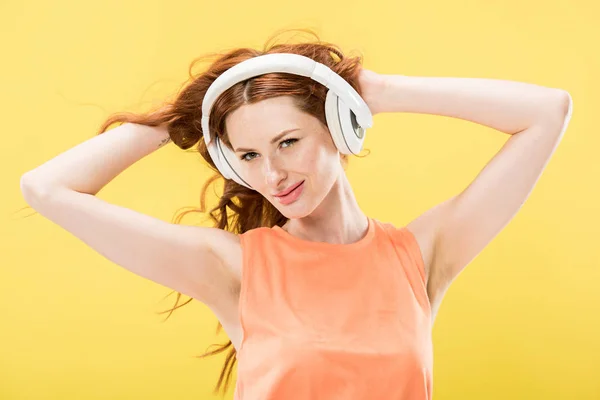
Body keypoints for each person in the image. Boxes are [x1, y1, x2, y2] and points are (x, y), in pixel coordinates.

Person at [20, 29, 573, 400]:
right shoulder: (234, 266)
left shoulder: (420, 255)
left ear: (340, 127)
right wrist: (184, 115)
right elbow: (46, 188)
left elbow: (547, 112)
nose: (273, 175)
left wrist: (372, 91)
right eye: (250, 156)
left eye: (288, 142)